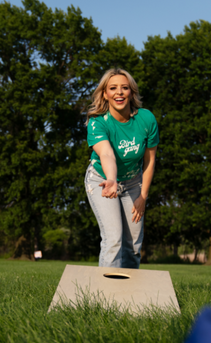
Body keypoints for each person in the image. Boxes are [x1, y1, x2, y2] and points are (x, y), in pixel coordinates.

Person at [84, 68, 159, 269]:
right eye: (113, 88)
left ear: (131, 92)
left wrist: (143, 196)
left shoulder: (146, 119)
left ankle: (128, 295)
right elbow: (107, 153)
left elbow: (150, 161)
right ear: (105, 94)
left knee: (132, 245)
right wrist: (111, 179)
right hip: (102, 180)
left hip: (134, 183)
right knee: (114, 238)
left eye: (124, 88)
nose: (119, 92)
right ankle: (106, 297)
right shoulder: (98, 122)